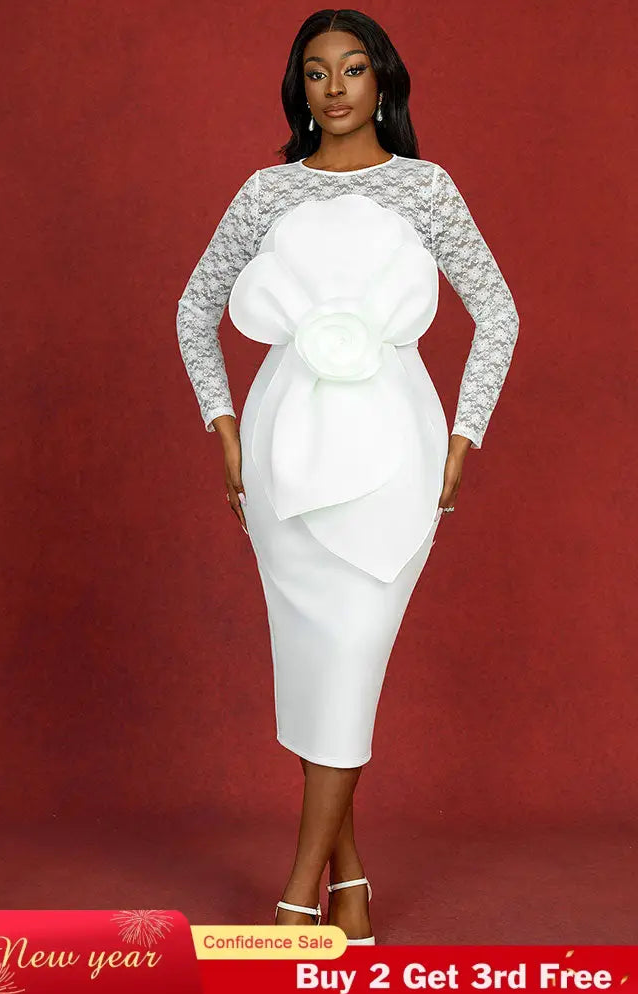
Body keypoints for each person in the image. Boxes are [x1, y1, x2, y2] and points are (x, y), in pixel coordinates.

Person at [176, 9, 519, 945]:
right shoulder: (265, 192)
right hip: (282, 453)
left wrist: (464, 435)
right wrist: (223, 426)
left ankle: (296, 898)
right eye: (316, 71)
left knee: (353, 653)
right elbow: (194, 308)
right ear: (300, 88)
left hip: (396, 451)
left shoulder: (425, 188)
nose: (334, 87)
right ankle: (350, 885)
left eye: (353, 68)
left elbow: (498, 312)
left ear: (383, 82)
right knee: (318, 664)